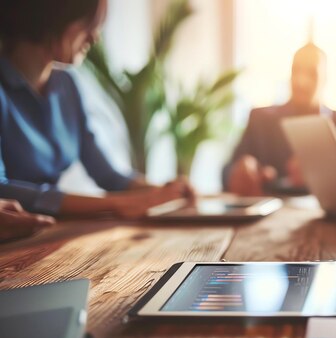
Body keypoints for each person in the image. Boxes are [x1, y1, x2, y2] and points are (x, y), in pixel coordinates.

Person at [0, 0, 194, 218]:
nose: (94, 37)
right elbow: (2, 190)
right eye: (88, 25)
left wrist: (164, 190)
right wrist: (117, 204)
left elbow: (107, 175)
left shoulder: (67, 85)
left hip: (45, 231)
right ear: (52, 16)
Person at [223, 42, 336, 196]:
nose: (301, 81)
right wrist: (240, 171)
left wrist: (332, 179)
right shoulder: (260, 120)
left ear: (325, 78)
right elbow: (226, 172)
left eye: (311, 73)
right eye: (296, 71)